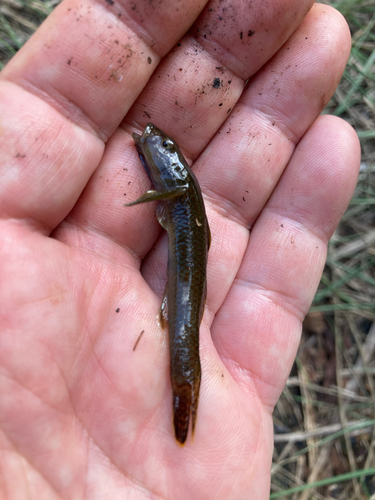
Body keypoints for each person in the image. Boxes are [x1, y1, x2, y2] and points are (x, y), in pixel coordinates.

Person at [0, 0, 360, 498]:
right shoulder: (176, 191)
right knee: (182, 316)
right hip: (182, 236)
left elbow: (169, 181)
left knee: (184, 324)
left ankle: (185, 388)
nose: (153, 144)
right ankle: (183, 388)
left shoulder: (177, 190)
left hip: (184, 244)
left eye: (161, 148)